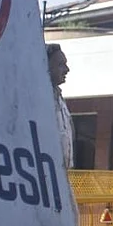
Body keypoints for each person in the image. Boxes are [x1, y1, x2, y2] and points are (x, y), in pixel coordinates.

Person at [46, 43, 74, 171]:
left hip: (61, 174)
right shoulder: (38, 99)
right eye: (61, 65)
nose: (67, 70)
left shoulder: (60, 99)